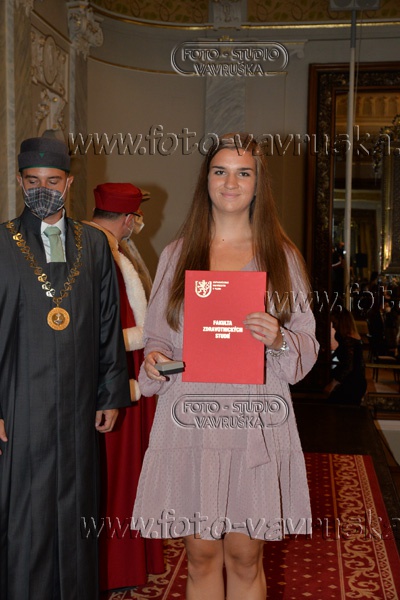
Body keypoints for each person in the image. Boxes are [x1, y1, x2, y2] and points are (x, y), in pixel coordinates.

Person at [132, 132, 319, 599]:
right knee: (200, 556)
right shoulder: (178, 255)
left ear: (257, 184)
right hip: (191, 416)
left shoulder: (282, 257)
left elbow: (307, 344)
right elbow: (158, 336)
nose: (230, 183)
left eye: (243, 172)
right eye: (220, 171)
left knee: (244, 555)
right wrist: (155, 361)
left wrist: (279, 338)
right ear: (206, 180)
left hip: (255, 417)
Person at [0, 136, 131, 600]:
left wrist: (110, 393)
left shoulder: (94, 243)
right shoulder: (1, 243)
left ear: (69, 183)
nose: (43, 190)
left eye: (53, 181)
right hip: (20, 403)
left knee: (77, 514)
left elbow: (109, 322)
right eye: (33, 181)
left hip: (78, 405)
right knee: (27, 516)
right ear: (20, 182)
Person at [87, 183, 164, 591]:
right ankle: (115, 567)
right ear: (130, 219)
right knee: (118, 473)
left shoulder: (101, 245)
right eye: (138, 217)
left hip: (120, 374)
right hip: (115, 378)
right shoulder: (102, 252)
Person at [325, 307, 367, 405]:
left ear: (342, 322)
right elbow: (361, 364)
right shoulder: (354, 338)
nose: (333, 327)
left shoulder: (348, 341)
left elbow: (348, 366)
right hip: (357, 381)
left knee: (334, 407)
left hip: (351, 383)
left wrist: (333, 383)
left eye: (334, 323)